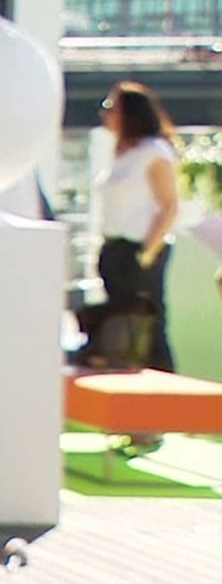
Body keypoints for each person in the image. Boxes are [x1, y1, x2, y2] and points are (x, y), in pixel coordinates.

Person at [93, 80, 180, 373]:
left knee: (149, 324)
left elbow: (169, 206)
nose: (105, 114)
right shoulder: (120, 153)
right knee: (120, 325)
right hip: (115, 247)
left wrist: (145, 254)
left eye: (111, 108)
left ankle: (165, 387)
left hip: (140, 248)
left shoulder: (154, 152)